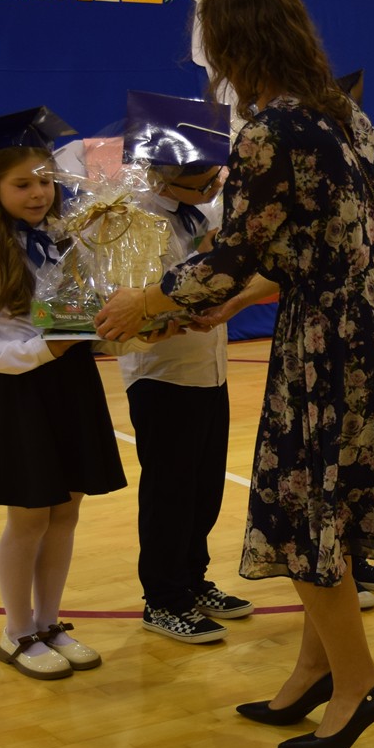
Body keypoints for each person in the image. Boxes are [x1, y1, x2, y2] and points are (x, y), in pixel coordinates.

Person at [94, 0, 374, 748]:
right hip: (366, 329)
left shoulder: (271, 129)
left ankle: (361, 684)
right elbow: (325, 244)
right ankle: (315, 671)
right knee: (329, 509)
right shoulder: (347, 116)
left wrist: (144, 302)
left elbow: (230, 254)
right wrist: (240, 301)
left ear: (234, 45)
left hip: (323, 343)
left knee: (304, 515)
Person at [0, 107, 129, 681]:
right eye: (22, 184)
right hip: (25, 392)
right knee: (28, 519)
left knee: (66, 512)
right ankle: (16, 631)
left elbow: (83, 311)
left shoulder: (67, 242)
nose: (39, 193)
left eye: (46, 180)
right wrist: (37, 351)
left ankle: (49, 622)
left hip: (74, 385)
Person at [114, 90, 276, 644]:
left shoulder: (203, 213)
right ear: (161, 177)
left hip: (210, 371)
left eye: (215, 178)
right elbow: (136, 301)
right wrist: (196, 281)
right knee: (170, 490)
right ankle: (163, 598)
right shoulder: (134, 224)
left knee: (204, 486)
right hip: (162, 376)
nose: (214, 189)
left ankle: (193, 578)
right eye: (202, 181)